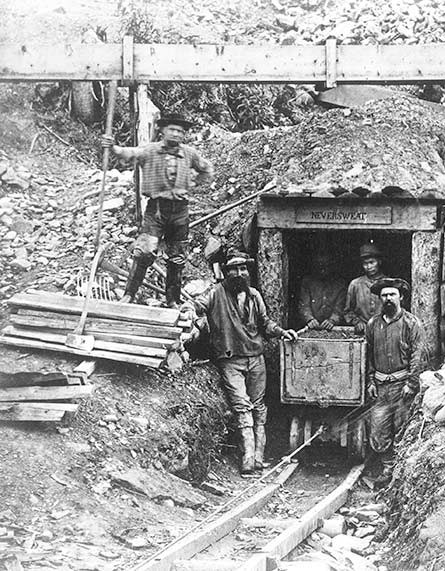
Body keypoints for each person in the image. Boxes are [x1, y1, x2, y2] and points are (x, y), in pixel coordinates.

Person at [186, 252, 298, 474]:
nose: (239, 274)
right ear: (226, 272)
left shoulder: (254, 295)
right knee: (242, 406)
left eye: (243, 269)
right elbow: (197, 305)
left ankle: (259, 457)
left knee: (259, 406)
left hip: (256, 358)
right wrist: (188, 311)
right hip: (231, 359)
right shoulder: (216, 294)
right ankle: (248, 457)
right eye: (234, 270)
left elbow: (265, 323)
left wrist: (282, 332)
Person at [101, 113, 213, 307]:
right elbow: (129, 153)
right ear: (162, 130)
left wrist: (193, 183)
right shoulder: (150, 150)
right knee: (144, 252)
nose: (177, 134)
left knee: (176, 258)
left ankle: (172, 300)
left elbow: (206, 169)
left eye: (180, 131)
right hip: (156, 211)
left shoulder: (189, 154)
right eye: (172, 129)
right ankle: (129, 294)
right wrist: (113, 147)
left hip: (180, 212)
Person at [365, 277, 425, 488]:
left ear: (401, 297)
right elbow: (369, 355)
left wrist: (412, 383)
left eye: (392, 294)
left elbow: (418, 356)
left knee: (402, 428)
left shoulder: (411, 323)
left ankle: (399, 473)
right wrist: (371, 380)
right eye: (384, 295)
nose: (388, 299)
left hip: (402, 387)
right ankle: (388, 467)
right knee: (378, 432)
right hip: (381, 388)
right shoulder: (373, 324)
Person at [343, 243, 386, 334]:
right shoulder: (355, 284)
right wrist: (357, 322)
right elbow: (348, 311)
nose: (368, 267)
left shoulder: (388, 283)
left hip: (384, 331)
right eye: (365, 264)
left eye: (371, 262)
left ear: (379, 262)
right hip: (362, 331)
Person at [298, 251, 346, 330]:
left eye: (326, 266)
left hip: (334, 327)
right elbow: (304, 304)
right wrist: (309, 319)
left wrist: (333, 320)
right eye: (320, 266)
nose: (323, 270)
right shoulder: (308, 282)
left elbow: (341, 306)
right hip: (311, 326)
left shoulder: (340, 283)